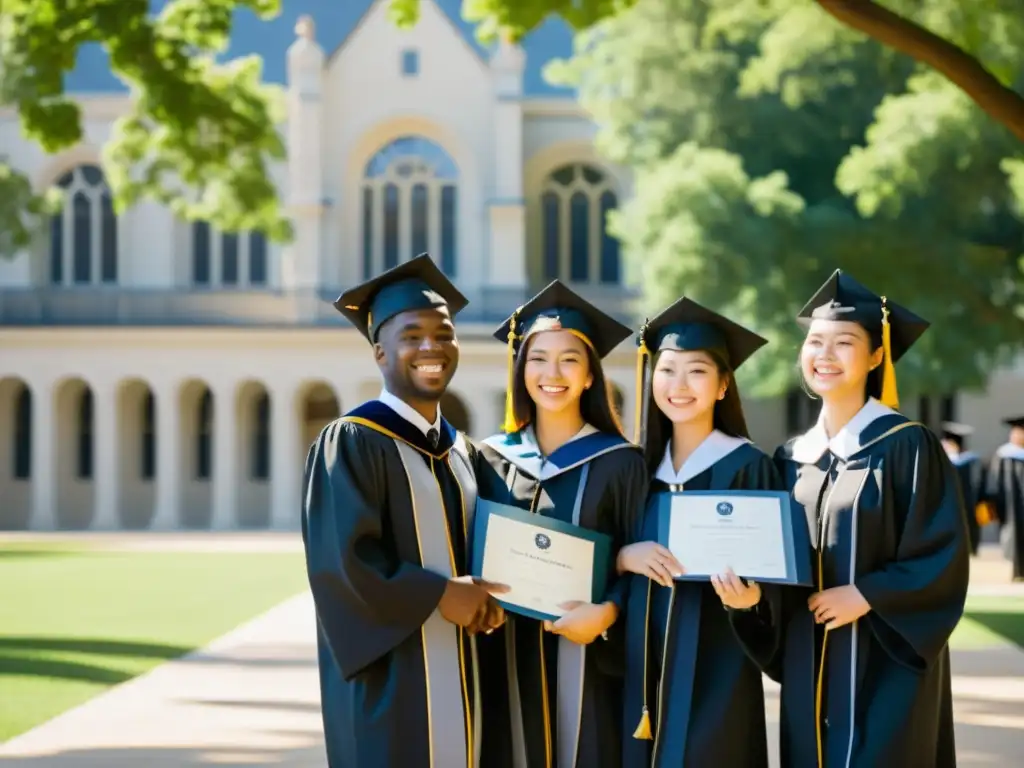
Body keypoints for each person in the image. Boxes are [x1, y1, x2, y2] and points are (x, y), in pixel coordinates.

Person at [732, 269, 970, 767]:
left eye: (844, 343)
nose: (825, 355)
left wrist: (866, 595)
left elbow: (941, 554)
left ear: (877, 355)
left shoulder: (907, 446)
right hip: (809, 664)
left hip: (887, 667)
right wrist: (754, 599)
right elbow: (782, 566)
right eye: (816, 342)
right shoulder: (791, 458)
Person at [301, 254, 509, 767]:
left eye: (444, 334)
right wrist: (440, 595)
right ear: (379, 352)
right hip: (392, 681)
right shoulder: (351, 442)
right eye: (411, 335)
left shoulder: (464, 453)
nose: (431, 347)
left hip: (466, 676)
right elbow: (342, 566)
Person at [473, 279, 648, 768]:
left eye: (569, 359)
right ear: (520, 371)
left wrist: (609, 613)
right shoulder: (490, 458)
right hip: (502, 655)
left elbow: (644, 566)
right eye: (537, 358)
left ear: (591, 376)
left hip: (589, 661)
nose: (553, 373)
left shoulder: (622, 463)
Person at [616, 297, 780, 767]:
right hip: (637, 670)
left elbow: (777, 581)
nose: (679, 386)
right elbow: (604, 551)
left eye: (697, 372)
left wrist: (752, 604)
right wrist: (624, 556)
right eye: (667, 371)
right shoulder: (635, 470)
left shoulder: (750, 467)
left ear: (724, 385)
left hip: (719, 667)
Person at [980, 415, 1024, 579]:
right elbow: (993, 482)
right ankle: (1016, 571)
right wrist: (992, 505)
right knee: (1013, 539)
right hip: (1010, 508)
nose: (1017, 436)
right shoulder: (1003, 455)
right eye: (1015, 433)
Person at [940, 421, 984, 555]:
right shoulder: (945, 460)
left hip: (968, 501)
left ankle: (970, 548)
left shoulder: (970, 460)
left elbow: (977, 482)